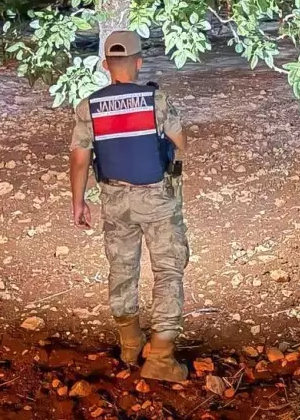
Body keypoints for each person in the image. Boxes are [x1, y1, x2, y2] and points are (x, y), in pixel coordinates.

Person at [68, 30, 189, 382]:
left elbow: (79, 159)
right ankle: (161, 358)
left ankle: (130, 344)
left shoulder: (88, 106)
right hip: (157, 199)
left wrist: (78, 202)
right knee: (168, 270)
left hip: (114, 200)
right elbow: (180, 141)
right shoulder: (156, 100)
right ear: (139, 62)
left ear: (105, 65)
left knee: (122, 267)